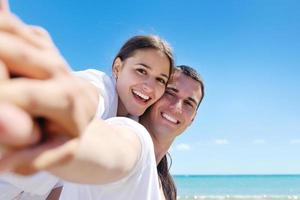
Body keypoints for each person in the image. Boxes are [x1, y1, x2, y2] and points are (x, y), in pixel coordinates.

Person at [0, 1, 174, 199]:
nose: (149, 86)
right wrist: (68, 106)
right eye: (141, 71)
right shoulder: (101, 86)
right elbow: (87, 96)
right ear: (117, 68)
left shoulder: (132, 122)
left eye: (160, 80)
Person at [0, 65, 205, 200]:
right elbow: (112, 152)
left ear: (193, 118)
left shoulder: (164, 187)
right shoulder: (129, 134)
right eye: (170, 93)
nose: (177, 106)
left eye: (189, 103)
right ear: (154, 95)